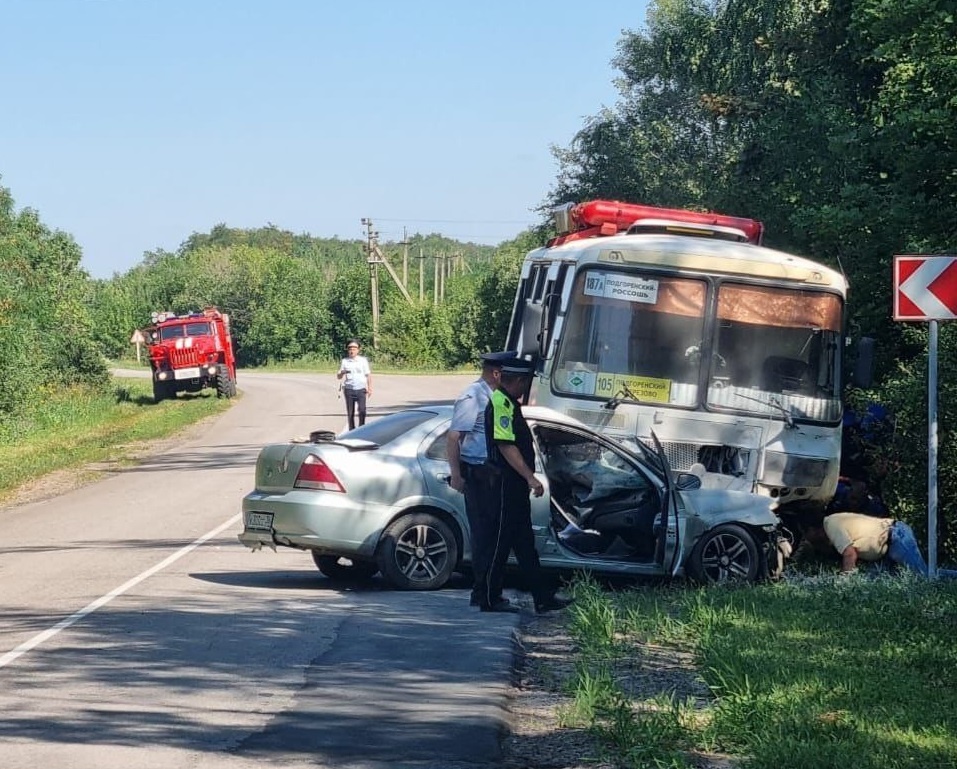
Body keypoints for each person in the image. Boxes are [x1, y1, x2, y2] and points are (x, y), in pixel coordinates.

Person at [482, 356, 570, 614]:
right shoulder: (501, 403)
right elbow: (505, 445)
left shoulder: (508, 402)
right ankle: (489, 597)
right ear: (519, 381)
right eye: (525, 382)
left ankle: (542, 598)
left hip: (514, 486)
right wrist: (530, 477)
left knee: (524, 544)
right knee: (499, 544)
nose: (525, 387)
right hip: (504, 485)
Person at [447, 351, 514, 610]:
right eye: (507, 373)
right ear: (496, 373)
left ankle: (485, 593)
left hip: (490, 473)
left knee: (492, 536)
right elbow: (454, 437)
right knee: (485, 537)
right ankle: (485, 594)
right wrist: (456, 474)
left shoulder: (495, 397)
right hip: (479, 474)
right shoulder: (473, 396)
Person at [337, 339, 372, 430]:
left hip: (361, 389)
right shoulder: (345, 361)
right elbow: (339, 376)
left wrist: (370, 388)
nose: (352, 351)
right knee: (350, 412)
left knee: (362, 411)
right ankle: (351, 430)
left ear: (358, 350)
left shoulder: (363, 361)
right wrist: (342, 373)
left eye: (354, 348)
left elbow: (368, 375)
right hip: (349, 389)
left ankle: (362, 429)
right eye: (350, 348)